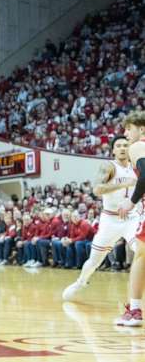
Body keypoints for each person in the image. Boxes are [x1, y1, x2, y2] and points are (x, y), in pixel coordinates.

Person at [63, 135, 138, 300]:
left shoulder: (137, 166)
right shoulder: (109, 166)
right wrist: (124, 183)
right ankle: (81, 282)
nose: (123, 148)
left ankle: (136, 299)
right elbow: (97, 189)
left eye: (125, 145)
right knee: (94, 261)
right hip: (110, 219)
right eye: (119, 146)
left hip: (132, 218)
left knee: (141, 251)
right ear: (113, 150)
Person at [114, 112, 145, 326]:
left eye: (128, 129)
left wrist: (131, 201)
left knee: (140, 255)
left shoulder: (138, 146)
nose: (125, 134)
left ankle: (134, 310)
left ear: (141, 129)